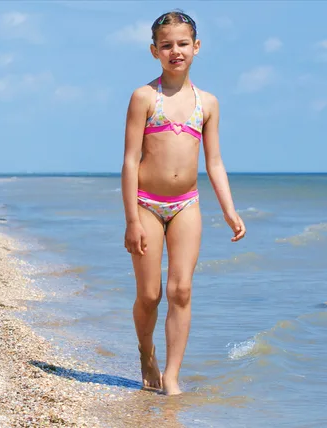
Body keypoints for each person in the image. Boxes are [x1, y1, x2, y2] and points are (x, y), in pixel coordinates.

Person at [121, 10, 246, 396]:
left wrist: (229, 209)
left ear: (197, 47)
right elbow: (129, 160)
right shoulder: (145, 97)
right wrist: (131, 220)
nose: (176, 51)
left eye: (183, 43)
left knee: (181, 291)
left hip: (186, 204)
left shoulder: (207, 103)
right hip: (146, 204)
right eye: (167, 45)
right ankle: (146, 352)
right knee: (150, 294)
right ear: (154, 50)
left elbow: (215, 162)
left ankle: (172, 376)